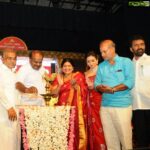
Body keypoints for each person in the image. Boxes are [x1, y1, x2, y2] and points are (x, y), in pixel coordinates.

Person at [94, 39, 134, 150]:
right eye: (101, 52)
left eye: (104, 51)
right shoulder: (101, 66)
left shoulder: (126, 62)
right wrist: (100, 88)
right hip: (105, 107)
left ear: (113, 49)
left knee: (125, 140)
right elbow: (96, 83)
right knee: (110, 141)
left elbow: (129, 82)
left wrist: (113, 89)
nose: (102, 54)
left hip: (122, 106)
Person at [52, 58, 88, 150]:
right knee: (62, 131)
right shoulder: (58, 77)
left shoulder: (78, 76)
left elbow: (85, 91)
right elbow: (54, 94)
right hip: (61, 108)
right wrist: (60, 85)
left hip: (74, 109)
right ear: (62, 67)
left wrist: (76, 86)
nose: (67, 68)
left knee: (73, 130)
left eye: (69, 66)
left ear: (73, 67)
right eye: (65, 66)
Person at [130, 35, 150, 148]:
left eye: (142, 44)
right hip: (135, 106)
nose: (139, 47)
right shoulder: (128, 65)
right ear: (131, 49)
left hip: (149, 104)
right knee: (141, 139)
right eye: (136, 45)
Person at [85, 51, 106, 150]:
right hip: (89, 101)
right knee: (92, 125)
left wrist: (95, 86)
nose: (91, 63)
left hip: (101, 100)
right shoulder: (85, 73)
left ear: (97, 60)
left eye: (93, 60)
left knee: (102, 124)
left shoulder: (102, 70)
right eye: (88, 61)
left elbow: (108, 85)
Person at [0, 50, 20, 150]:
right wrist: (9, 107)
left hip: (13, 111)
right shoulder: (1, 71)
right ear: (2, 59)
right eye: (10, 58)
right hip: (4, 112)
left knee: (12, 140)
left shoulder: (11, 72)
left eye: (14, 58)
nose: (13, 61)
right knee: (5, 141)